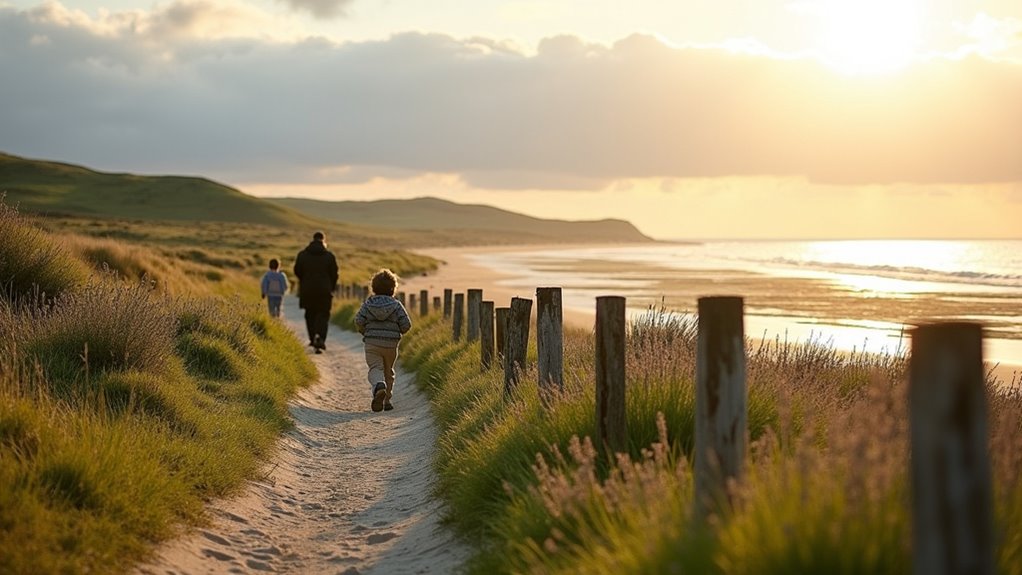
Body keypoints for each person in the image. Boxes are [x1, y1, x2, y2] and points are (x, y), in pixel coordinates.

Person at [354, 269, 411, 412]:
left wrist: (364, 331)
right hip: (391, 344)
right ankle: (387, 401)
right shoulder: (397, 305)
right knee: (388, 371)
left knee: (375, 368)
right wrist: (398, 332)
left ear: (373, 288)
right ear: (393, 288)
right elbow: (406, 324)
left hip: (372, 342)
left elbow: (359, 320)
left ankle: (379, 385)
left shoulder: (368, 304)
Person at [293, 231, 338, 354]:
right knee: (323, 314)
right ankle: (320, 337)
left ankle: (313, 337)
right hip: (324, 290)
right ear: (323, 240)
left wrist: (304, 280)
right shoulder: (329, 256)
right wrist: (331, 287)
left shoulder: (302, 255)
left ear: (312, 240)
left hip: (307, 290)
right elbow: (334, 274)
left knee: (310, 314)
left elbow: (297, 271)